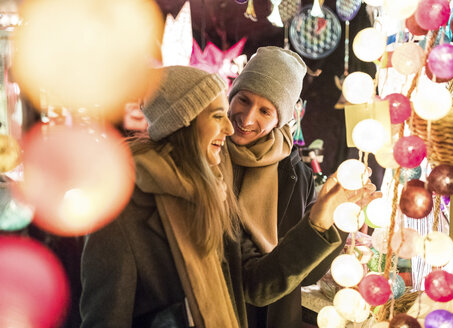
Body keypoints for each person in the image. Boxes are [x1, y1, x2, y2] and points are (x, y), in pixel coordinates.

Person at [79, 65, 363, 328]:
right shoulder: (120, 209)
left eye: (266, 111)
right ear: (184, 124)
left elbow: (254, 285)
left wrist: (318, 221)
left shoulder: (214, 193)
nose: (230, 127)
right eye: (218, 116)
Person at [226, 46, 375, 328]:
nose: (246, 118)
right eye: (243, 100)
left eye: (265, 110)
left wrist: (338, 218)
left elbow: (306, 275)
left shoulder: (295, 174)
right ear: (231, 97)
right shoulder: (209, 160)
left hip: (277, 316)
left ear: (282, 116)